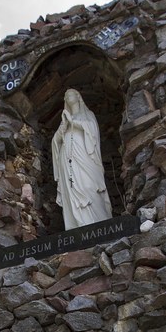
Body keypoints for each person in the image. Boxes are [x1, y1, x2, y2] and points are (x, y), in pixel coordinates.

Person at [51, 89, 113, 229]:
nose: (67, 96)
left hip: (84, 156)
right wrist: (61, 131)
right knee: (71, 190)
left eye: (70, 94)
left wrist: (73, 122)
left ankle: (98, 224)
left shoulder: (88, 115)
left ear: (78, 96)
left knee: (88, 186)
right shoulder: (64, 120)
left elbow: (92, 132)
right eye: (65, 95)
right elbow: (55, 141)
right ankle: (76, 227)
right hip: (66, 159)